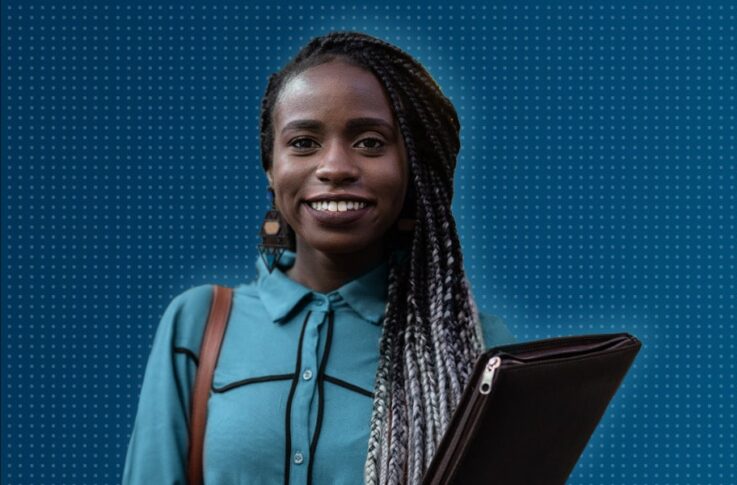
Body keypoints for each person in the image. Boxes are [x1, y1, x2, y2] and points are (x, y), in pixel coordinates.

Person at [121, 31, 516, 485]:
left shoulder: (473, 344)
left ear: (414, 168)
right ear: (270, 166)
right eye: (304, 142)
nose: (334, 167)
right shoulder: (198, 322)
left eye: (370, 142)